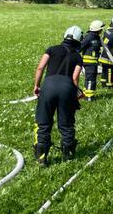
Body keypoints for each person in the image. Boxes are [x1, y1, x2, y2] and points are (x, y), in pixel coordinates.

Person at [32, 26, 83, 166]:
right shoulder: (78, 56)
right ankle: (68, 155)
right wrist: (76, 91)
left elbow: (40, 67)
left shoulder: (52, 49)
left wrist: (37, 85)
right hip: (67, 88)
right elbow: (75, 78)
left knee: (43, 123)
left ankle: (42, 157)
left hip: (48, 87)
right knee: (66, 124)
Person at [80, 20, 104, 101]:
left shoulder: (96, 37)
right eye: (101, 28)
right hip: (89, 63)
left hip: (93, 63)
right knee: (91, 79)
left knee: (89, 78)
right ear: (97, 29)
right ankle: (89, 97)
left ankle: (85, 93)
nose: (102, 30)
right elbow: (80, 47)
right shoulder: (89, 37)